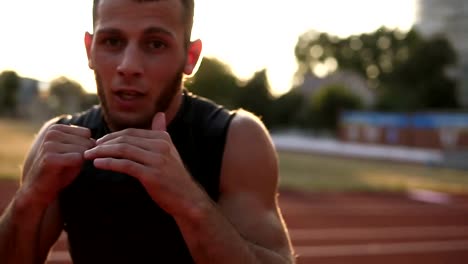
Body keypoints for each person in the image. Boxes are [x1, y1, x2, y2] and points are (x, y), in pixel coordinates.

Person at [0, 0, 295, 263]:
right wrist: (29, 198)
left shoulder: (236, 138)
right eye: (112, 41)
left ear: (190, 56)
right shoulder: (57, 139)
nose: (128, 66)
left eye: (155, 44)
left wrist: (190, 202)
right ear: (90, 50)